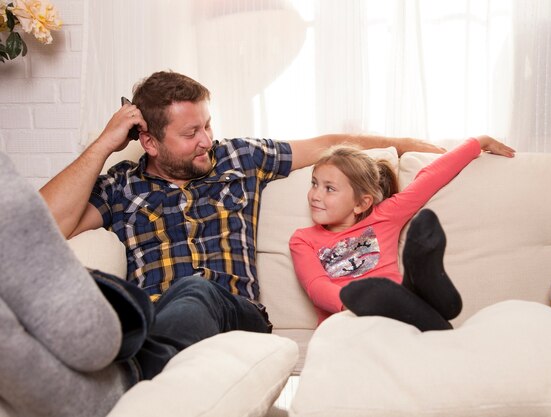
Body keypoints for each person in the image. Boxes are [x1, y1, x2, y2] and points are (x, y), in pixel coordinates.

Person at [38, 70, 449, 383]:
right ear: (149, 141)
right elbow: (44, 225)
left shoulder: (239, 158)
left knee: (196, 289)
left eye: (207, 125)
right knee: (141, 301)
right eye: (190, 132)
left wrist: (410, 145)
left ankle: (138, 377)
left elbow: (329, 143)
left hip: (240, 318)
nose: (206, 140)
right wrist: (105, 143)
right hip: (159, 315)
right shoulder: (121, 184)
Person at [289, 137, 515, 330]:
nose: (315, 195)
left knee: (403, 306)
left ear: (361, 203)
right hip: (345, 323)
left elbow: (431, 177)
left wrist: (478, 142)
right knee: (434, 316)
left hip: (396, 315)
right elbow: (316, 287)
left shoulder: (385, 217)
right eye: (314, 184)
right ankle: (438, 301)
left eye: (329, 188)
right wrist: (358, 302)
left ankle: (424, 273)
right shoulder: (303, 239)